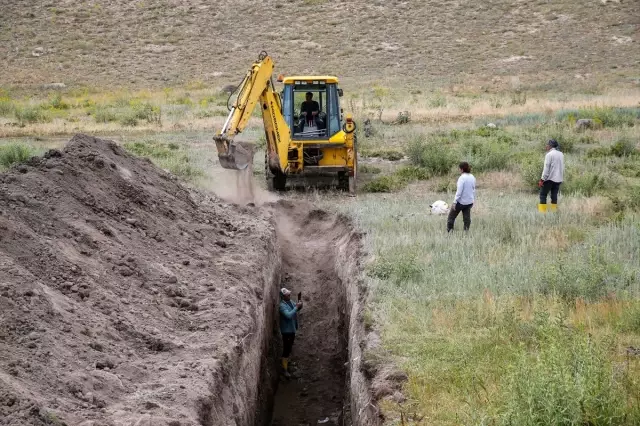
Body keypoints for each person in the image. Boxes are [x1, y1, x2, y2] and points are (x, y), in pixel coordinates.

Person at [279, 287, 303, 377]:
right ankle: (284, 370)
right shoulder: (282, 306)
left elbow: (297, 309)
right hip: (286, 331)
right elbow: (288, 315)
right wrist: (296, 307)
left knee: (289, 348)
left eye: (289, 294)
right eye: (287, 295)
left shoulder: (290, 302)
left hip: (292, 329)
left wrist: (300, 304)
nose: (289, 295)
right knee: (286, 349)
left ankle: (286, 363)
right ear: (283, 296)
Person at [447, 162, 476, 232]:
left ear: (462, 169)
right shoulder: (472, 177)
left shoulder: (462, 178)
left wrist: (454, 202)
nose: (459, 170)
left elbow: (459, 192)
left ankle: (450, 233)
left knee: (451, 218)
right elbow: (473, 189)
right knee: (467, 219)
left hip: (460, 202)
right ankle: (466, 232)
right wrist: (472, 200)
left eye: (459, 169)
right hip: (469, 202)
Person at [538, 139, 564, 213]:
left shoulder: (549, 155)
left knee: (543, 195)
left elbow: (546, 169)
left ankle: (542, 213)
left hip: (549, 179)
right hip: (558, 179)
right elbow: (562, 167)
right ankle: (553, 212)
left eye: (547, 145)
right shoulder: (561, 154)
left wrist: (542, 180)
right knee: (554, 196)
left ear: (550, 146)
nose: (546, 146)